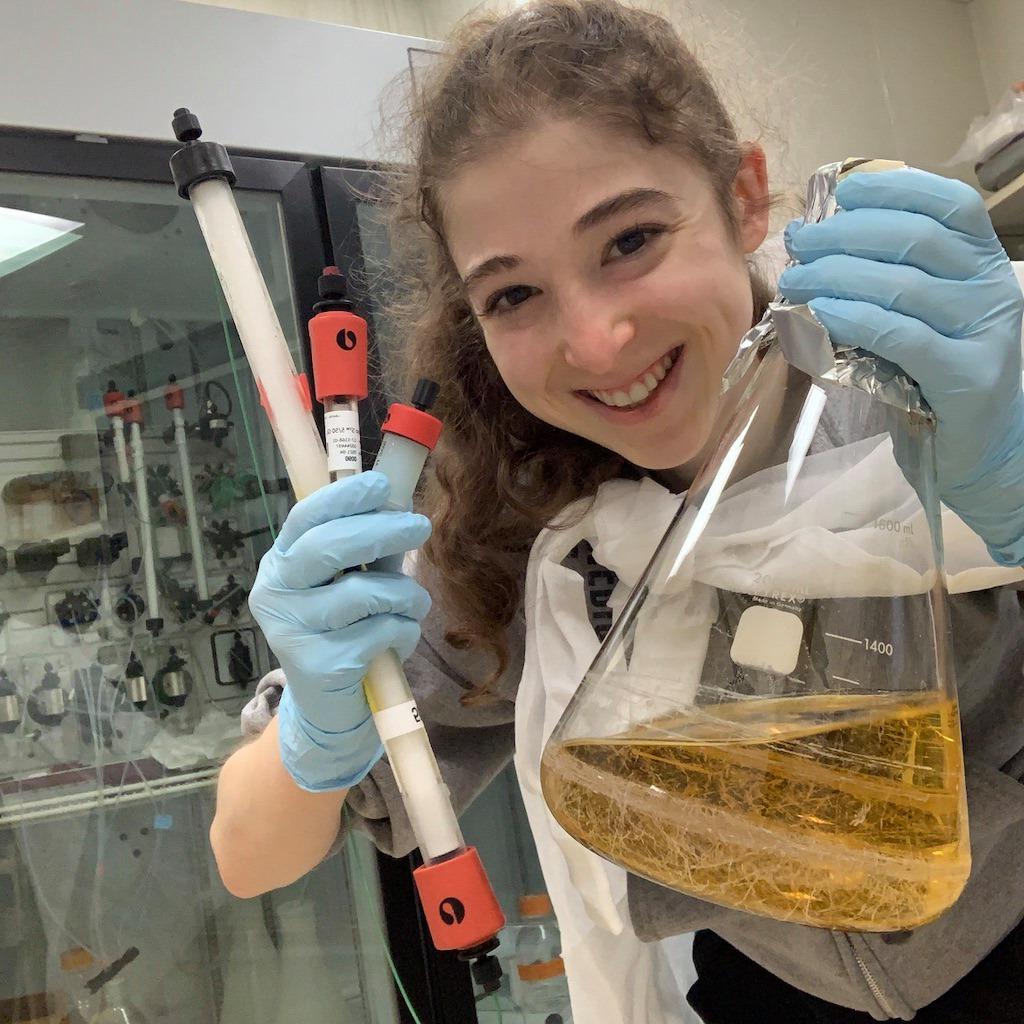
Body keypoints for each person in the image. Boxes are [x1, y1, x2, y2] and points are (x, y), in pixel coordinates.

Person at [209, 2, 1024, 1020]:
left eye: (630, 239)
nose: (595, 341)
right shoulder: (524, 540)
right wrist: (315, 736)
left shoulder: (943, 386)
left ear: (744, 197)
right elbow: (248, 852)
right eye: (513, 296)